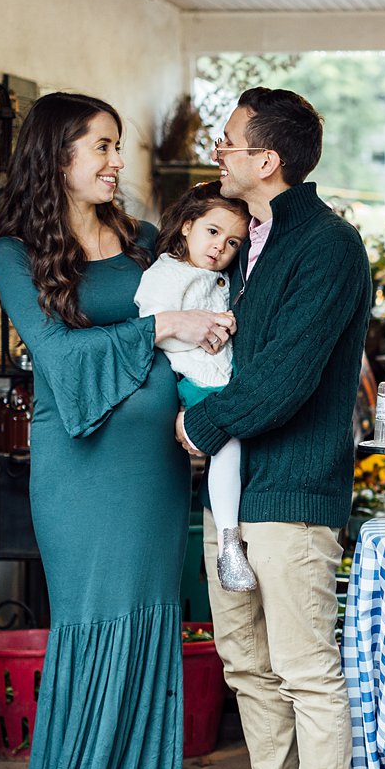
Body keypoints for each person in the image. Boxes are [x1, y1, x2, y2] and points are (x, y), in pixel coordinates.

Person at [0, 92, 233, 769]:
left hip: (156, 467)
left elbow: (205, 310)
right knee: (93, 632)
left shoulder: (142, 238)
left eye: (117, 147)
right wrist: (160, 329)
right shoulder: (15, 254)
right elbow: (54, 354)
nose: (117, 161)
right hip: (82, 472)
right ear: (59, 157)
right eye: (103, 147)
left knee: (149, 630)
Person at [177, 87, 372, 769]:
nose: (217, 152)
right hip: (237, 496)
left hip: (291, 489)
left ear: (268, 159)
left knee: (303, 670)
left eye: (229, 143)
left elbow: (286, 379)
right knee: (249, 665)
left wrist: (202, 423)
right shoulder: (255, 240)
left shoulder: (326, 246)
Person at [135, 182, 257, 591]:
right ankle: (228, 541)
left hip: (225, 376)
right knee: (229, 443)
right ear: (187, 226)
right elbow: (153, 325)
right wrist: (201, 330)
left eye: (233, 241)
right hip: (201, 380)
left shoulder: (217, 276)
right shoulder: (168, 271)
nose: (221, 246)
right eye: (212, 231)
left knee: (239, 444)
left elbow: (223, 318)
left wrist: (228, 324)